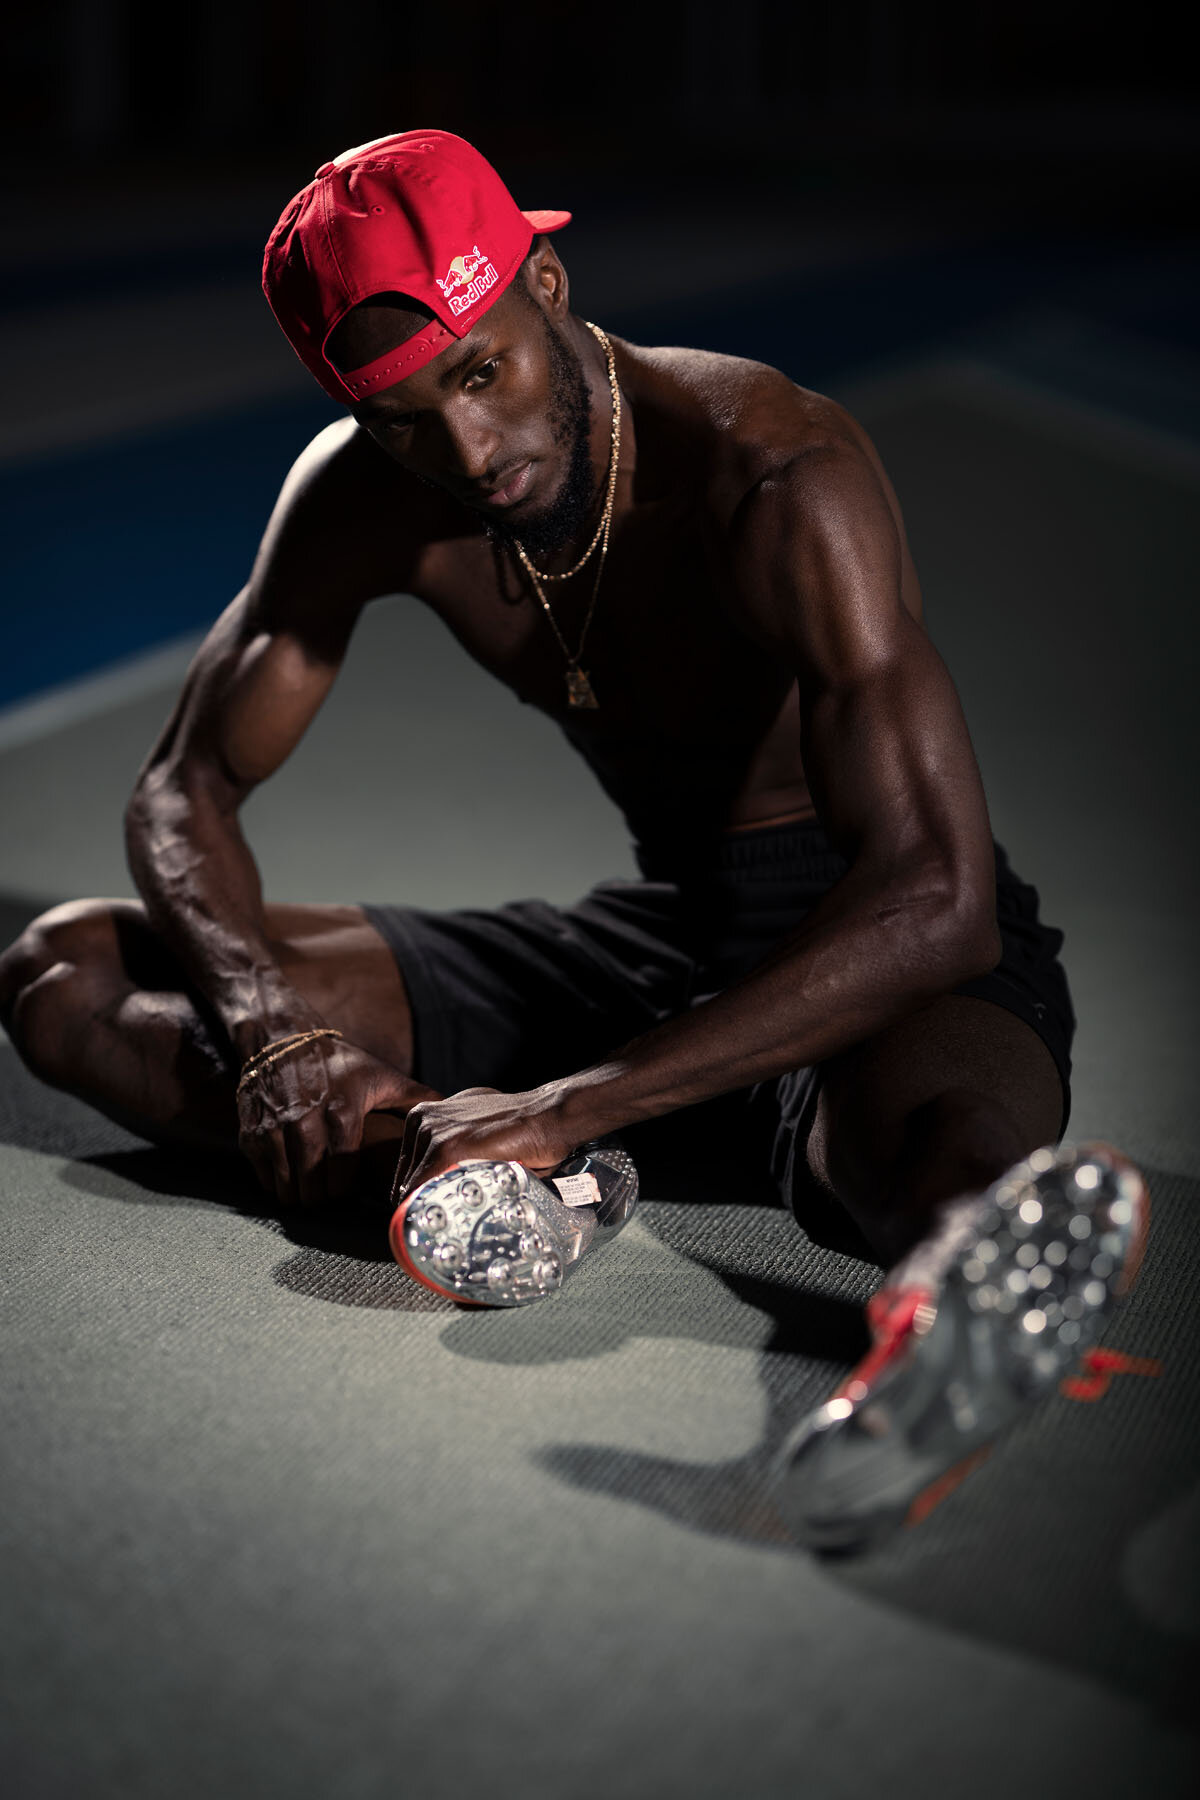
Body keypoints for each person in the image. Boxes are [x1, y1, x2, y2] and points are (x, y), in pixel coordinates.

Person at [0, 130, 1147, 1550]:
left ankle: (952, 1324)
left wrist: (568, 1099)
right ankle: (519, 1191)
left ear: (546, 282)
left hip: (866, 946)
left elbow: (939, 902)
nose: (464, 453)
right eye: (403, 417)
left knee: (937, 1159)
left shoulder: (773, 471)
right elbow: (184, 793)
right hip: (661, 948)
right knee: (69, 978)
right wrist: (273, 1030)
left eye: (481, 375)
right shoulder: (365, 495)